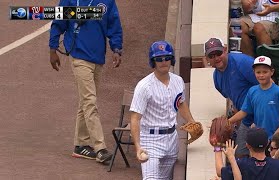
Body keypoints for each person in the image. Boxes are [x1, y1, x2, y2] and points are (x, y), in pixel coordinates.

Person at [49, 0, 123, 164]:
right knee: (90, 101)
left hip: (97, 58)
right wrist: (52, 48)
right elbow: (58, 23)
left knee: (86, 101)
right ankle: (100, 148)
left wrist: (117, 49)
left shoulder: (107, 2)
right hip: (79, 56)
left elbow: (114, 25)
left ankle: (80, 145)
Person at [130, 41, 199, 179]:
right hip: (150, 140)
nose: (163, 62)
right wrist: (138, 146)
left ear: (171, 59)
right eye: (159, 59)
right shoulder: (144, 86)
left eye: (167, 58)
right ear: (153, 62)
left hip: (172, 140)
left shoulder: (178, 81)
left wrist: (192, 121)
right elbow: (135, 118)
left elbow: (180, 103)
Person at [204, 37, 259, 158]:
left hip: (263, 113)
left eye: (218, 53)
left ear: (225, 50)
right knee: (240, 153)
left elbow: (267, 84)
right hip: (246, 118)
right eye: (211, 55)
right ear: (207, 58)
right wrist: (235, 126)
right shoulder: (217, 78)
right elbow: (234, 101)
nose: (216, 58)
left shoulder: (243, 62)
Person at [228, 56, 279, 139]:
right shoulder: (252, 91)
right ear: (254, 72)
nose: (261, 75)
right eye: (258, 72)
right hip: (260, 137)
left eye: (265, 72)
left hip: (277, 138)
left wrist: (277, 134)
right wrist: (228, 122)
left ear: (272, 72)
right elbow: (244, 111)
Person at [215, 128, 279, 180]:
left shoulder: (240, 164)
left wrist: (217, 146)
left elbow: (219, 171)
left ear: (247, 145)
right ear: (267, 143)